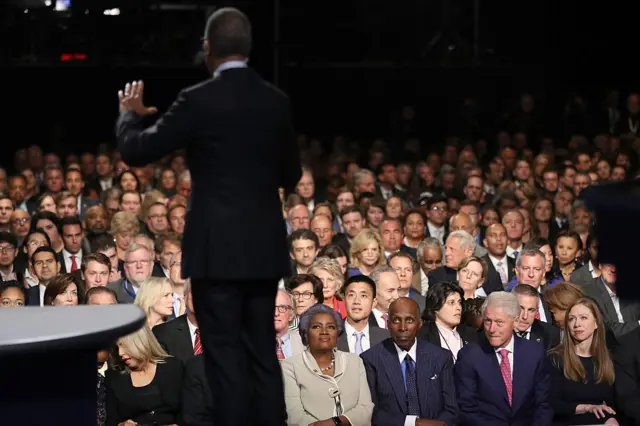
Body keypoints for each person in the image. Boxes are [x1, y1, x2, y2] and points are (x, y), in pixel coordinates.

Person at [115, 7, 301, 426]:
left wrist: (129, 114)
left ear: (207, 48)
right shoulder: (276, 101)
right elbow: (291, 174)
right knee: (262, 352)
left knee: (224, 357)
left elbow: (136, 150)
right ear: (249, 49)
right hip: (262, 251)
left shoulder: (198, 100)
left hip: (216, 252)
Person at [454, 291, 553, 426]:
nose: (492, 329)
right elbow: (467, 409)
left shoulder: (535, 352)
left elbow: (543, 404)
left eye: (499, 322)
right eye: (488, 321)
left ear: (515, 321)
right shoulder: (469, 356)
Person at [361, 297, 458, 426]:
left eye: (409, 320)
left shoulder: (441, 357)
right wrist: (414, 423)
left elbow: (452, 409)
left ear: (420, 323)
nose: (402, 327)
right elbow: (372, 412)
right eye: (396, 320)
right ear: (388, 324)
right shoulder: (371, 359)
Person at [281, 304, 374, 425]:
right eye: (316, 327)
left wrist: (334, 422)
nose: (324, 332)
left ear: (337, 333)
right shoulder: (290, 366)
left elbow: (365, 408)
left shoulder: (355, 361)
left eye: (330, 327)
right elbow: (295, 416)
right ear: (305, 334)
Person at [549, 298, 619, 425]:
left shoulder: (608, 360)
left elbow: (613, 404)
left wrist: (611, 418)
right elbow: (553, 404)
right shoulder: (555, 358)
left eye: (583, 318)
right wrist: (587, 408)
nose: (577, 324)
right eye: (571, 319)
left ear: (596, 322)